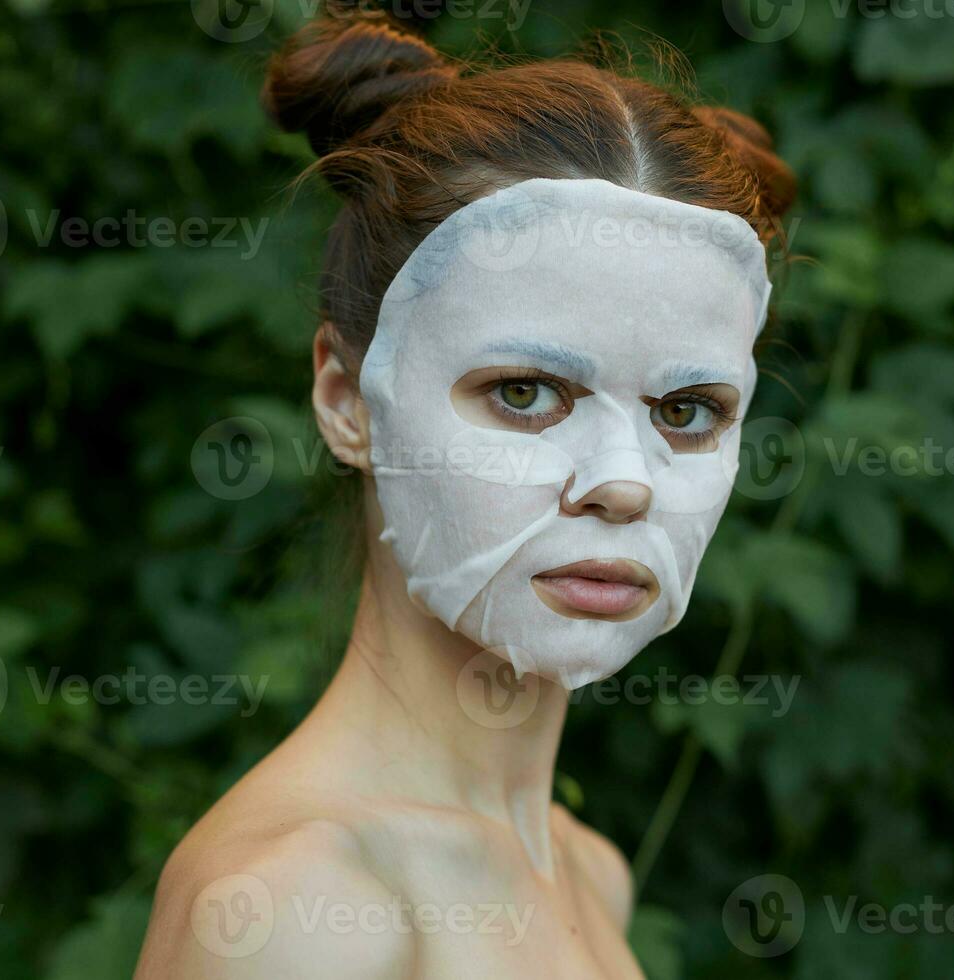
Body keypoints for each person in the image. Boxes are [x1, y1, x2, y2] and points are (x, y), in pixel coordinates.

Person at [135, 11, 794, 978]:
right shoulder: (299, 910)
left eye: (688, 410)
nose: (623, 482)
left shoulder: (588, 872)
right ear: (346, 399)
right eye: (524, 393)